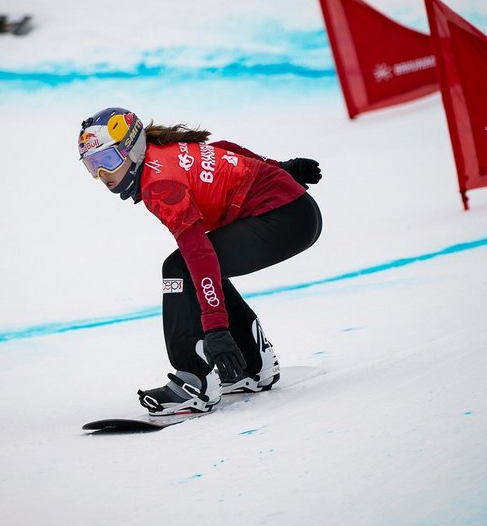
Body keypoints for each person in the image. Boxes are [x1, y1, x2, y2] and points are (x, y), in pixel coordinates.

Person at [77, 107, 323, 416]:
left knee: (179, 268)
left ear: (133, 148)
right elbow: (223, 149)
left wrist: (216, 329)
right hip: (294, 211)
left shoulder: (160, 184)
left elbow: (199, 254)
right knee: (194, 265)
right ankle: (250, 363)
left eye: (108, 161)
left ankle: (193, 381)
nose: (104, 176)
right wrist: (279, 168)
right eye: (93, 166)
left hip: (284, 218)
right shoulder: (163, 149)